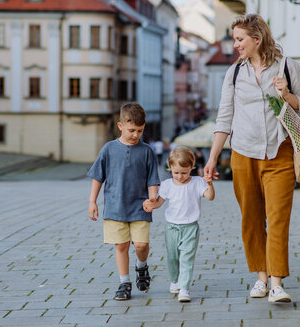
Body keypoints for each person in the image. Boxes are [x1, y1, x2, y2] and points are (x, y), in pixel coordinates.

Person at [204, 14, 300, 303]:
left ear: (257, 39)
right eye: (234, 39)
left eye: (239, 39)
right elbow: (224, 117)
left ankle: (277, 283)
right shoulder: (234, 73)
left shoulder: (290, 67)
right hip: (243, 154)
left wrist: (287, 94)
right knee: (251, 220)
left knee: (278, 218)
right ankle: (261, 278)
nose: (235, 45)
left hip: (280, 153)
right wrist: (213, 158)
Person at [88, 102, 160, 301]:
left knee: (141, 245)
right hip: (115, 207)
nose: (136, 135)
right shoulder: (108, 149)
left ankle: (141, 266)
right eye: (131, 130)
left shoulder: (147, 152)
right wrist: (92, 202)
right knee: (121, 245)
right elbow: (97, 177)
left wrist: (152, 198)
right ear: (120, 126)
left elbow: (152, 179)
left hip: (140, 206)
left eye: (140, 130)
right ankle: (124, 282)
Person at [143, 147, 215, 302]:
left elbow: (209, 197)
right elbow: (159, 203)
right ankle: (175, 280)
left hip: (190, 227)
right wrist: (151, 204)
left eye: (184, 172)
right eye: (176, 173)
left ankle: (184, 288)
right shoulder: (167, 184)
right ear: (170, 169)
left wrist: (209, 183)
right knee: (172, 257)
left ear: (191, 168)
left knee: (187, 258)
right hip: (171, 227)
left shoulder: (197, 182)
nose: (180, 176)